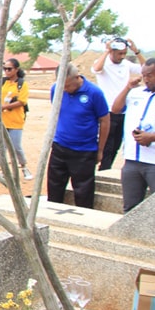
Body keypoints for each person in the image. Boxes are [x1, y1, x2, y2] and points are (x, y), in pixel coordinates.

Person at [110, 58, 155, 212]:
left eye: (150, 75)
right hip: (132, 160)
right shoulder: (135, 94)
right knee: (130, 208)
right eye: (144, 75)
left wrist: (152, 137)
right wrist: (128, 87)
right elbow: (115, 109)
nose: (146, 79)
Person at [47, 63, 110, 209]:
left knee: (83, 193)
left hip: (84, 151)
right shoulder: (56, 89)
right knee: (54, 189)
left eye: (68, 86)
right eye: (62, 85)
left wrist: (100, 149)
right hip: (60, 147)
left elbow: (105, 120)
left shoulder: (94, 93)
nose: (65, 89)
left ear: (77, 78)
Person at [93, 37, 146, 171]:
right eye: (119, 53)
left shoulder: (126, 64)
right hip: (107, 112)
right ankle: (103, 171)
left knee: (116, 146)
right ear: (112, 51)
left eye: (124, 53)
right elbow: (96, 69)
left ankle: (106, 170)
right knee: (107, 146)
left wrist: (137, 52)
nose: (122, 56)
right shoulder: (104, 63)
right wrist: (106, 51)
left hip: (124, 111)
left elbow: (145, 69)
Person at [1, 58, 32, 180]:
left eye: (9, 69)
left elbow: (22, 101)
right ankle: (4, 171)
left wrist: (6, 106)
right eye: (5, 69)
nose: (7, 71)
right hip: (2, 120)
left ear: (16, 69)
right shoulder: (3, 82)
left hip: (15, 120)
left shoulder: (21, 84)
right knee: (2, 147)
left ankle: (23, 166)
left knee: (15, 146)